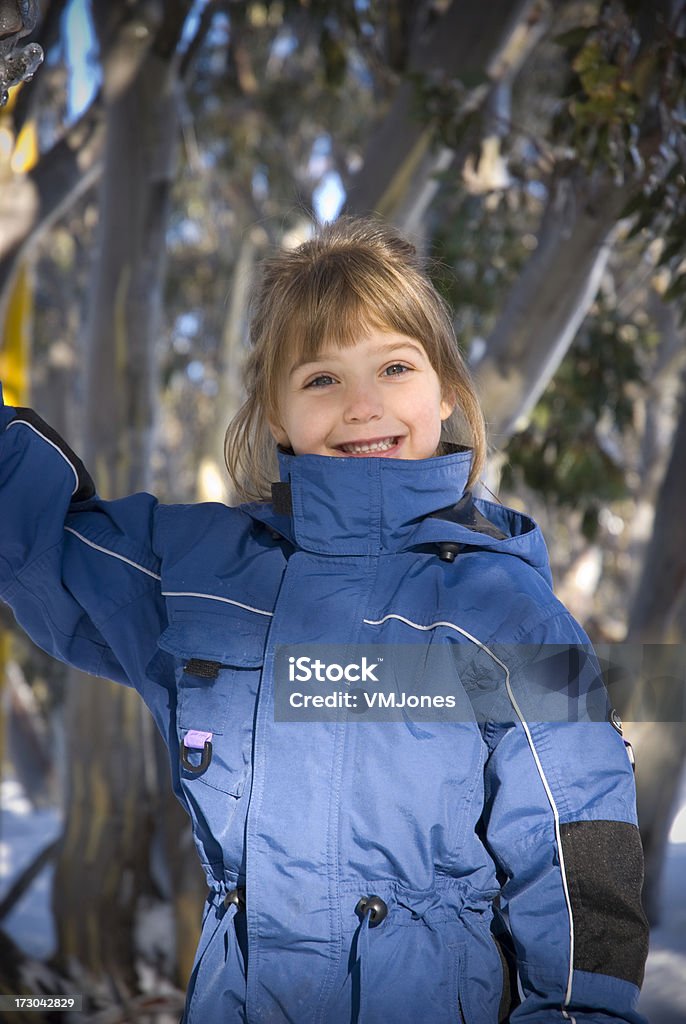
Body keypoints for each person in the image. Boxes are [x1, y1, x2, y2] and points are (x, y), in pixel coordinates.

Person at [0, 217, 649, 1023]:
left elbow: (579, 848)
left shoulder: (509, 610)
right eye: (320, 380)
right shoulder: (196, 573)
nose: (362, 405)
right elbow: (38, 536)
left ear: (445, 389)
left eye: (395, 366)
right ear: (275, 414)